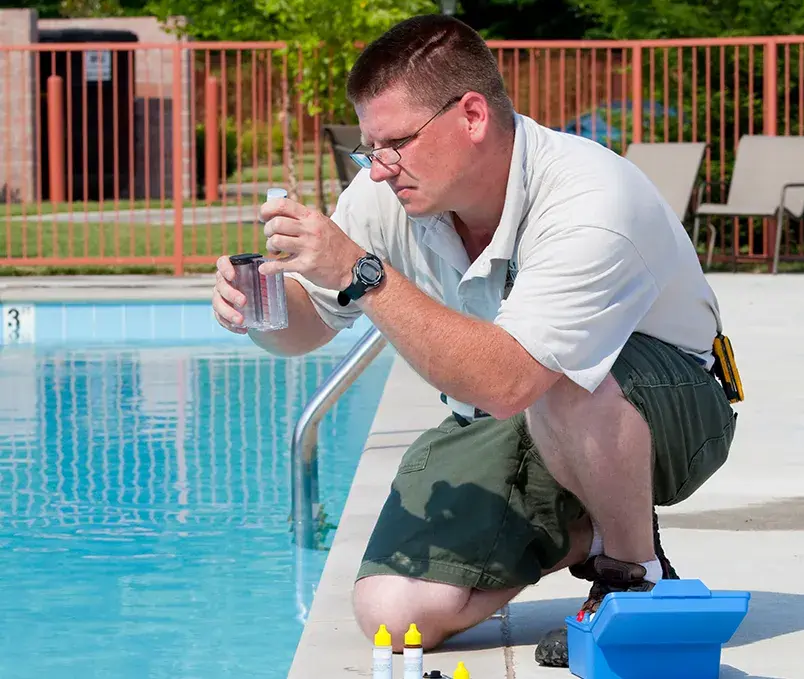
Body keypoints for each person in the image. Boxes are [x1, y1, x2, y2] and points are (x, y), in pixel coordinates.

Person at [211, 13, 740, 668]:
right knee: (392, 614)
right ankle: (578, 527)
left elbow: (511, 378)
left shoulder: (588, 197)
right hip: (518, 414)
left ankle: (634, 570)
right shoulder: (388, 194)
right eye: (368, 148)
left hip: (670, 413)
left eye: (394, 143)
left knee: (564, 380)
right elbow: (311, 324)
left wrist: (362, 273)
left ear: (471, 116)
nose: (378, 170)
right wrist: (258, 310)